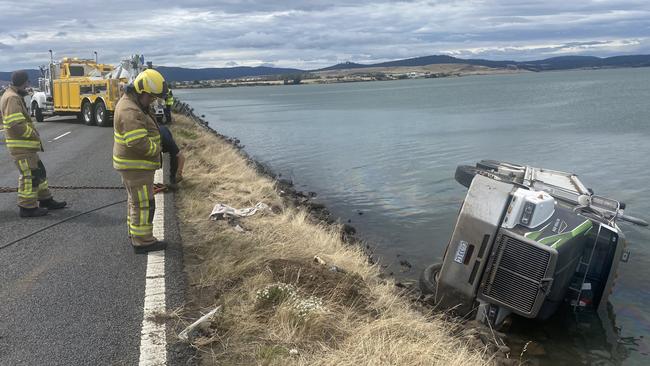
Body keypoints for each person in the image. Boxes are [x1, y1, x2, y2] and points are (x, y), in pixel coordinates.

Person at [113, 69, 168, 253]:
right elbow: (137, 141)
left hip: (134, 165)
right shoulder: (129, 110)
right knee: (144, 204)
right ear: (141, 91)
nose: (152, 101)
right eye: (151, 97)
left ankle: (136, 234)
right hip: (136, 166)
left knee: (135, 201)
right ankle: (143, 242)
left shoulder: (133, 104)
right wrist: (157, 149)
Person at [0, 70, 66, 217]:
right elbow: (14, 123)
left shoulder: (13, 95)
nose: (29, 86)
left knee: (39, 172)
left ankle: (45, 199)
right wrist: (32, 135)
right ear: (25, 82)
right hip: (21, 146)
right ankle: (27, 207)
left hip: (25, 147)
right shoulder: (12, 98)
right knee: (29, 176)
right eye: (28, 83)